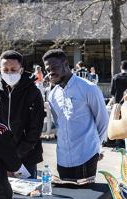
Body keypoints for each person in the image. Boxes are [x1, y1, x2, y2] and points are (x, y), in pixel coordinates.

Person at [43, 49, 108, 185]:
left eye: (54, 68)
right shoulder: (52, 95)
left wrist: (96, 149)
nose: (50, 73)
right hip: (62, 158)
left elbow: (103, 121)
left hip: (86, 156)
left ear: (66, 64)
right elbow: (59, 125)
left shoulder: (88, 88)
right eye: (47, 69)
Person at [0, 50, 45, 179]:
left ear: (21, 70)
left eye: (13, 69)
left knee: (26, 194)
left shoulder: (33, 92)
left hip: (26, 155)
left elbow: (36, 127)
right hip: (0, 155)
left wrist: (18, 153)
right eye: (5, 69)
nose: (9, 73)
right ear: (0, 69)